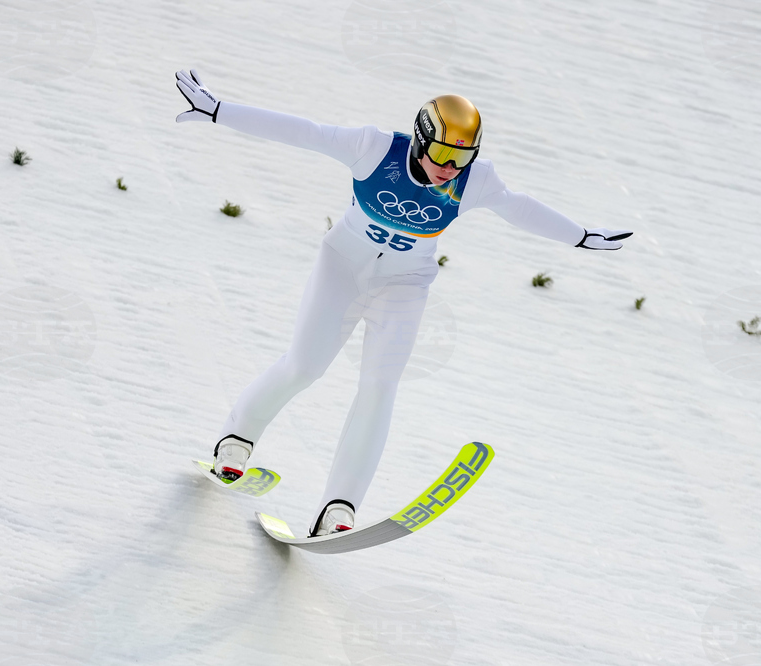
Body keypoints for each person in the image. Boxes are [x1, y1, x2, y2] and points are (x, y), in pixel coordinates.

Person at [174, 69, 632, 537]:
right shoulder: (373, 149)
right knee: (305, 366)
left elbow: (518, 207)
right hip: (343, 266)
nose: (448, 169)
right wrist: (218, 111)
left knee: (379, 385)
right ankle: (238, 439)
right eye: (441, 154)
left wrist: (579, 236)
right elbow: (303, 132)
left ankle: (339, 506)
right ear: (420, 139)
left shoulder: (475, 181)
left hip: (405, 284)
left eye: (461, 160)